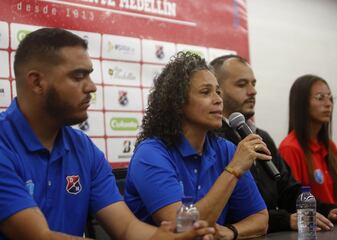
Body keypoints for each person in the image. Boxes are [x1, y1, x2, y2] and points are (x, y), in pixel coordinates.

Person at [0, 28, 215, 240]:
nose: (92, 87)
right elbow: (39, 237)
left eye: (89, 75)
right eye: (78, 76)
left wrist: (162, 237)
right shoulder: (3, 142)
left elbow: (127, 228)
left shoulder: (83, 149)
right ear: (37, 82)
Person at [125, 51, 271, 240]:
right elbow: (182, 230)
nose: (218, 99)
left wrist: (233, 231)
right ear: (178, 102)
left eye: (218, 92)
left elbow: (260, 219)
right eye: (205, 92)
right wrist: (234, 169)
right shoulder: (151, 153)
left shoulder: (226, 149)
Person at [210, 55, 337, 233]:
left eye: (254, 84)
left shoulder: (260, 136)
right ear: (218, 91)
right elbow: (229, 209)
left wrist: (327, 210)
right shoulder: (213, 140)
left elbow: (288, 189)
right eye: (242, 84)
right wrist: (284, 220)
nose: (253, 91)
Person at [279, 74, 337, 213]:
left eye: (330, 97)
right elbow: (293, 203)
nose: (328, 104)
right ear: (301, 103)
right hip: (314, 230)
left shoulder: (330, 146)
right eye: (320, 97)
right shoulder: (290, 148)